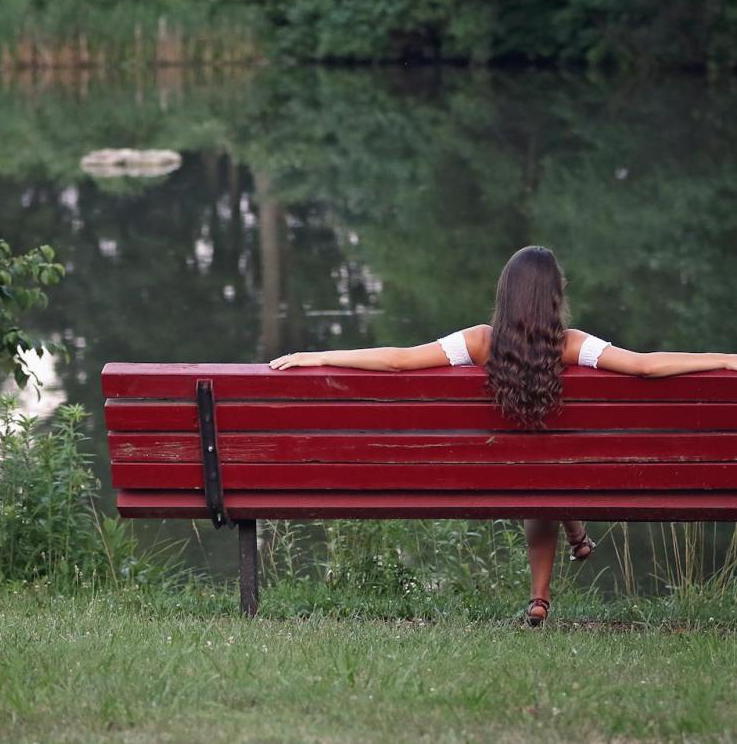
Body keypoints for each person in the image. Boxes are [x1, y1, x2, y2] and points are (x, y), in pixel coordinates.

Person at [269, 245, 737, 626]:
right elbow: (644, 366)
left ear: (506, 294)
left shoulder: (478, 342)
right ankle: (546, 584)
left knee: (536, 476)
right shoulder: (571, 344)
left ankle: (558, 558)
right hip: (562, 471)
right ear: (555, 295)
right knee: (548, 475)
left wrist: (318, 354)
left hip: (502, 474)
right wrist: (723, 359)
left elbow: (397, 360)